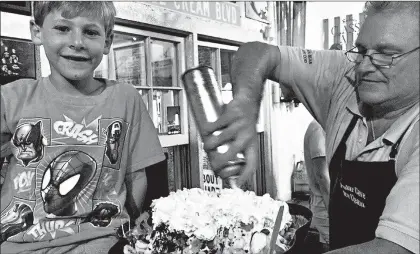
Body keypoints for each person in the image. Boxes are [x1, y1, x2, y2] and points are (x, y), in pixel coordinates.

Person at [202, 1, 419, 254]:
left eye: (386, 54)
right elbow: (257, 52)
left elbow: (392, 249)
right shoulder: (345, 78)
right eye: (360, 50)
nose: (364, 65)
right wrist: (246, 103)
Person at [0, 2, 165, 253]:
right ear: (36, 32)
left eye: (90, 32)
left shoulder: (125, 98)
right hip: (17, 243)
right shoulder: (12, 97)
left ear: (108, 41)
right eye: (62, 28)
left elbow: (136, 176)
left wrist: (133, 231)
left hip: (102, 242)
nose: (77, 42)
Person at [304, 120, 330, 253]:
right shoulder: (318, 129)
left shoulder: (327, 126)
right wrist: (336, 212)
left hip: (327, 203)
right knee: (332, 245)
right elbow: (323, 177)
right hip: (325, 205)